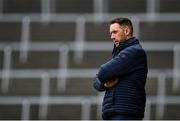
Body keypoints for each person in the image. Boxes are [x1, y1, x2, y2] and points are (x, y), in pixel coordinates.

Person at [93, 17, 148, 120]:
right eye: (110, 33)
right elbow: (95, 82)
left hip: (125, 114)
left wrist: (104, 78)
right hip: (116, 113)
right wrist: (104, 83)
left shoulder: (134, 52)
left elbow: (102, 73)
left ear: (127, 31)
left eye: (115, 32)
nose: (112, 37)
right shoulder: (120, 55)